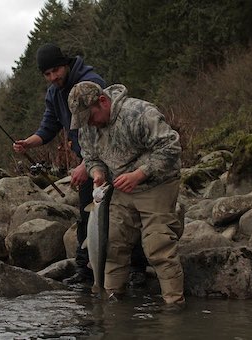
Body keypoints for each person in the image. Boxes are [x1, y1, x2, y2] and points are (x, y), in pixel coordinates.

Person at [13, 43, 148, 286]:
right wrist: (29, 143)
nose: (53, 77)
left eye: (56, 70)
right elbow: (49, 126)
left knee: (126, 214)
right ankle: (86, 273)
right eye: (47, 74)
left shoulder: (90, 82)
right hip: (90, 162)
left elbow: (100, 130)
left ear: (65, 64)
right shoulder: (54, 93)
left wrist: (86, 164)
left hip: (114, 158)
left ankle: (137, 267)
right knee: (86, 217)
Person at [68, 81, 185, 308]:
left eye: (90, 117)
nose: (89, 124)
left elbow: (171, 147)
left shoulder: (140, 113)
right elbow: (91, 157)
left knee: (157, 243)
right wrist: (98, 173)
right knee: (112, 241)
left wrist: (140, 174)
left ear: (102, 102)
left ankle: (174, 306)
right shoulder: (88, 127)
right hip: (121, 186)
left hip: (157, 183)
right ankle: (113, 301)